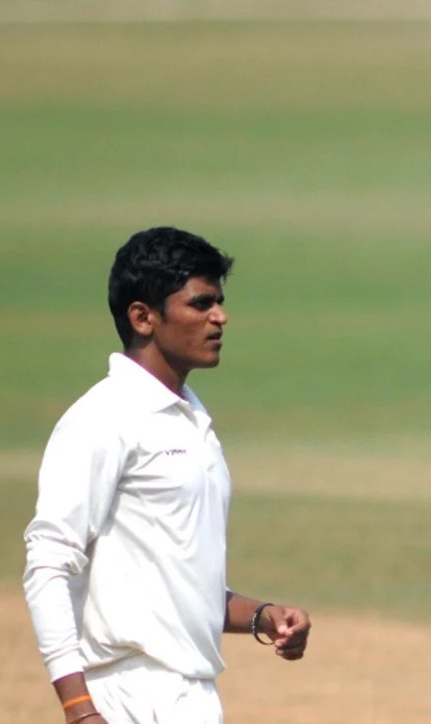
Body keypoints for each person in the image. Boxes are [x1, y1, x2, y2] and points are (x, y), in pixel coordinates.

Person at [22, 226, 312, 724]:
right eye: (201, 304)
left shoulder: (193, 422)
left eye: (219, 302)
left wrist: (263, 616)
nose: (220, 317)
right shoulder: (104, 417)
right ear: (143, 317)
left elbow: (181, 586)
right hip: (125, 695)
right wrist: (79, 709)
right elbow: (47, 565)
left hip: (192, 697)